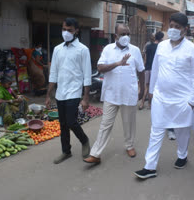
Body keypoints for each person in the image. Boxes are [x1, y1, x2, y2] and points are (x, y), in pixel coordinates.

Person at [134, 13, 194, 179]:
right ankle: (150, 167)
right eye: (171, 26)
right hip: (161, 97)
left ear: (185, 30)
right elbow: (156, 68)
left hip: (182, 101)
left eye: (177, 27)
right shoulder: (162, 46)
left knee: (182, 132)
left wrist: (193, 101)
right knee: (156, 131)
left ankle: (182, 155)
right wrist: (151, 92)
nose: (173, 29)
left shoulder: (193, 50)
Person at [83, 23, 145, 164]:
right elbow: (100, 67)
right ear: (115, 36)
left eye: (128, 34)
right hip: (111, 94)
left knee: (129, 123)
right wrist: (118, 63)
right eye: (123, 34)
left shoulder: (135, 50)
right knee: (105, 124)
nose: (126, 37)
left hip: (129, 93)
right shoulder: (108, 49)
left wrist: (142, 90)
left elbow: (141, 71)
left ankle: (129, 146)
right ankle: (96, 154)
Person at [46, 18, 91, 164]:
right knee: (63, 124)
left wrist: (85, 98)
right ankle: (66, 151)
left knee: (71, 122)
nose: (66, 32)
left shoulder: (83, 50)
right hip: (61, 93)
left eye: (69, 30)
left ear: (76, 31)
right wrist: (48, 95)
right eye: (64, 29)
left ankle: (84, 141)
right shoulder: (58, 49)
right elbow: (53, 73)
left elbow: (87, 75)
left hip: (74, 91)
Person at [139, 31, 164, 111]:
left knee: (146, 86)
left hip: (147, 68)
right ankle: (150, 104)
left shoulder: (148, 46)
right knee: (152, 87)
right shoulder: (161, 47)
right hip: (155, 70)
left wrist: (144, 67)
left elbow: (145, 59)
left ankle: (142, 103)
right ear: (161, 38)